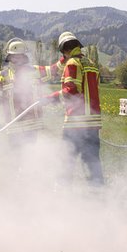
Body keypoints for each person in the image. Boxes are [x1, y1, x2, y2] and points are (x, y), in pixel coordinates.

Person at [46, 31, 103, 185]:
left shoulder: (72, 63)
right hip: (93, 123)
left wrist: (48, 99)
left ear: (64, 49)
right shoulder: (91, 64)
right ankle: (99, 196)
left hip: (76, 123)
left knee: (65, 162)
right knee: (93, 165)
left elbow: (70, 92)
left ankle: (62, 196)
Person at [0, 38, 58, 139]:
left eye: (20, 56)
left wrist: (69, 55)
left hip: (32, 126)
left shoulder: (35, 71)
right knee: (16, 154)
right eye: (14, 56)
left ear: (24, 56)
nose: (17, 59)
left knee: (32, 153)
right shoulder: (2, 76)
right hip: (13, 127)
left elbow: (55, 69)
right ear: (9, 57)